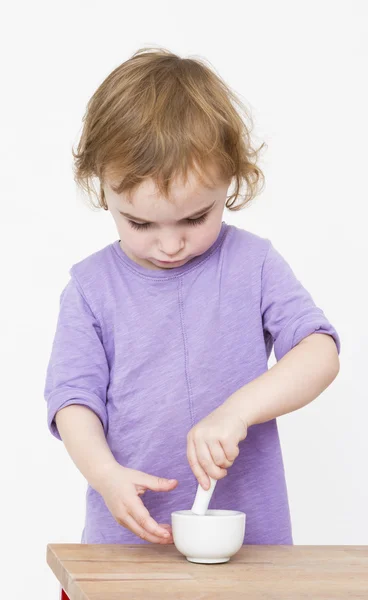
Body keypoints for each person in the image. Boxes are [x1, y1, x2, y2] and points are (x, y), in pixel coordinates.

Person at [44, 46, 340, 546]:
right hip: (129, 541)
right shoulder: (91, 290)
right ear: (103, 188)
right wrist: (104, 475)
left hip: (250, 546)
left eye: (195, 217)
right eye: (140, 222)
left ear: (231, 180)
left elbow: (320, 352)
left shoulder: (254, 263)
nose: (170, 243)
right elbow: (73, 402)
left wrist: (237, 411)